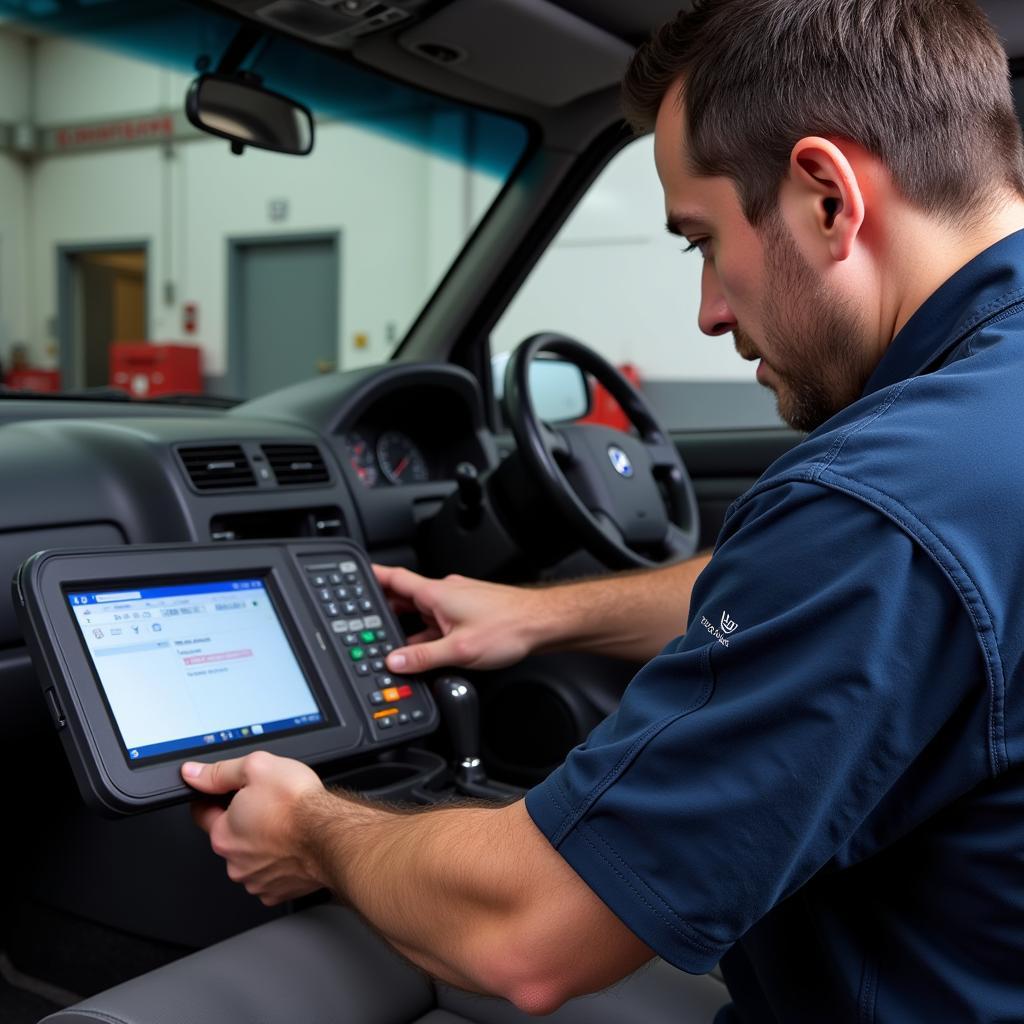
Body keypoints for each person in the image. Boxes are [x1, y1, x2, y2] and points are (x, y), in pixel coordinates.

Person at [181, 1, 1024, 1019]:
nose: (710, 309)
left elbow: (526, 935)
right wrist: (542, 613)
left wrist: (311, 827)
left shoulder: (881, 502)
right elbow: (857, 607)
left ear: (827, 196)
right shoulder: (966, 447)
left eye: (702, 241)